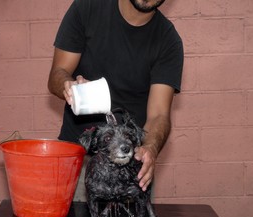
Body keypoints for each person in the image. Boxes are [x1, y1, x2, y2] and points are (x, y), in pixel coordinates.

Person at [48, 0, 183, 200]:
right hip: (78, 159)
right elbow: (57, 74)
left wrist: (151, 149)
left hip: (129, 165)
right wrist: (68, 85)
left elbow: (159, 114)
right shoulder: (87, 8)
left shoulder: (168, 41)